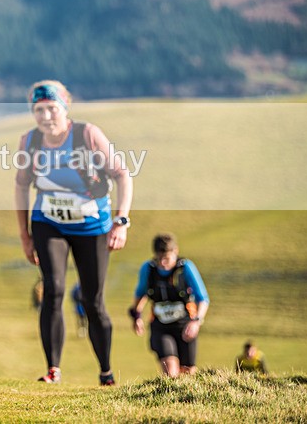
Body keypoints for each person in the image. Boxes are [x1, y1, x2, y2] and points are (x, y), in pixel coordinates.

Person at [15, 80, 133, 386]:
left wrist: (121, 221)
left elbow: (122, 175)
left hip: (92, 225)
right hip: (48, 222)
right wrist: (25, 235)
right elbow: (21, 186)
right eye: (38, 110)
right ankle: (53, 369)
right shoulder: (29, 141)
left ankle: (105, 371)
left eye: (51, 108)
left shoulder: (87, 135)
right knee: (52, 291)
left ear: (65, 108)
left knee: (93, 301)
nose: (45, 116)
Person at [129, 233, 210, 378]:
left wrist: (196, 321)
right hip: (161, 327)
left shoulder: (185, 268)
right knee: (171, 371)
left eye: (166, 258)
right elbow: (141, 294)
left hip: (185, 325)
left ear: (175, 251)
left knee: (188, 373)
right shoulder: (148, 269)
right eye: (159, 258)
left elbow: (203, 298)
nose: (163, 263)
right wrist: (136, 316)